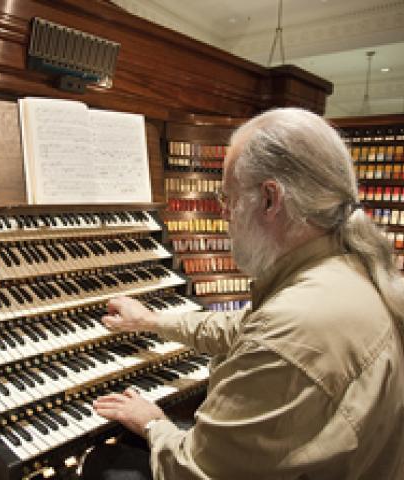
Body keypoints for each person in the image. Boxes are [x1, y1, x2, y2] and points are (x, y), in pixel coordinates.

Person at [88, 108, 404, 479]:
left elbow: (194, 473)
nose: (225, 216)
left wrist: (154, 425)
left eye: (228, 199)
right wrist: (151, 320)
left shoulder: (292, 328)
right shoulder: (349, 269)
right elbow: (245, 326)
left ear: (270, 199)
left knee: (105, 465)